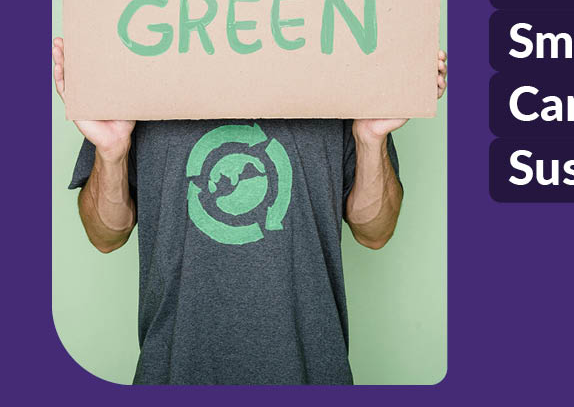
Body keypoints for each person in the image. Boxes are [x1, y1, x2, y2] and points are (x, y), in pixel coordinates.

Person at [51, 37, 447, 385]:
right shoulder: (139, 71)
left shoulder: (340, 69)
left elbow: (374, 231)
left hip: (312, 376)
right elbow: (106, 236)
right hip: (172, 375)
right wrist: (112, 151)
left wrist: (370, 137)